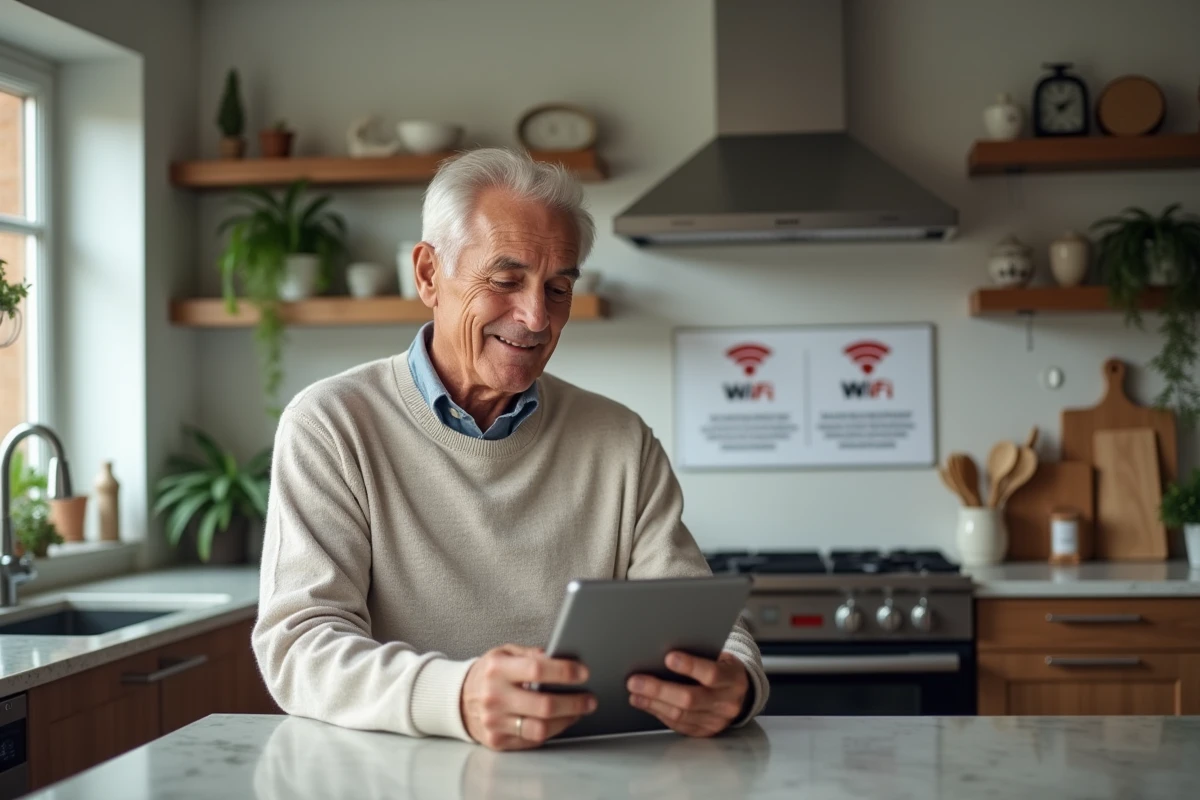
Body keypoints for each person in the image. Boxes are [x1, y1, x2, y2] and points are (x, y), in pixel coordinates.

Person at [252, 148, 768, 751]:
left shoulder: (621, 441)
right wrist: (457, 697)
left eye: (557, 288)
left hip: (589, 777)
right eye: (505, 280)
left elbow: (701, 625)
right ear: (427, 275)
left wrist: (736, 685)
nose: (535, 317)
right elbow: (299, 646)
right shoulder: (332, 425)